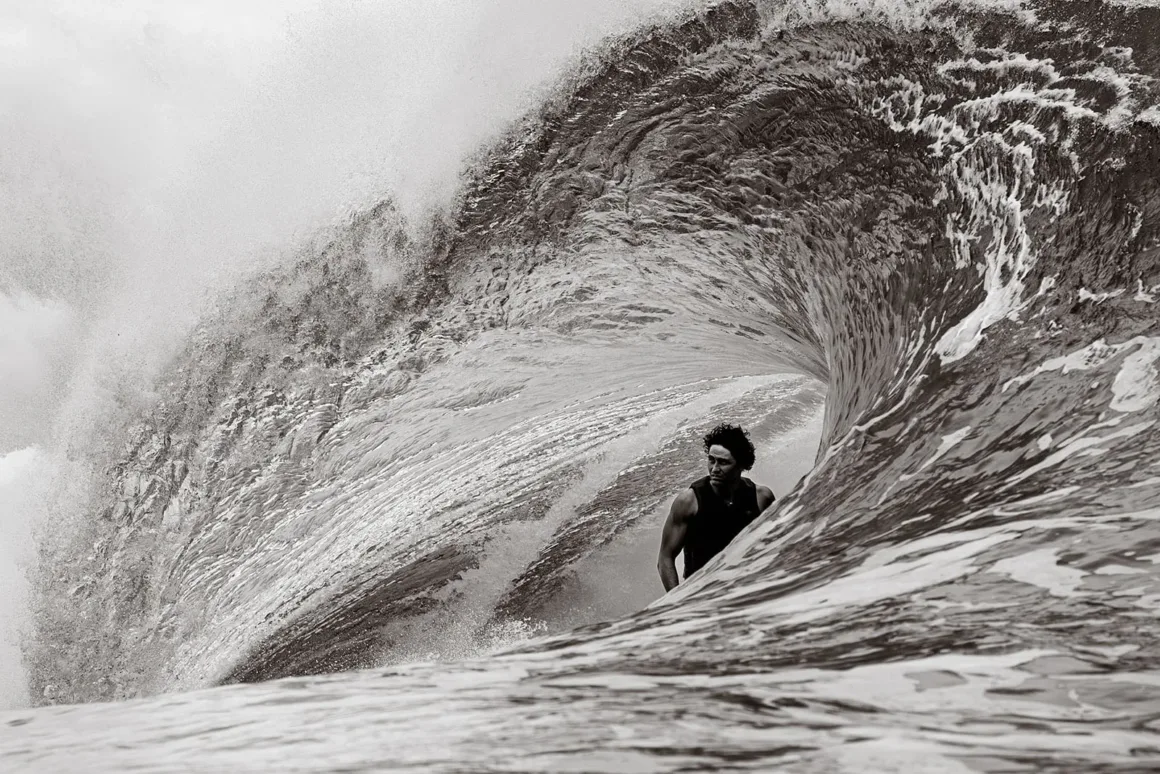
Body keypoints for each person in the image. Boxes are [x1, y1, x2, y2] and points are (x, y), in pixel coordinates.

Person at [657, 423, 775, 591]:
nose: (714, 469)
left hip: (746, 587)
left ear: (741, 465)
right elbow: (665, 557)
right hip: (702, 591)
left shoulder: (761, 497)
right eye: (711, 460)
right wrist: (676, 602)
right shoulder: (689, 501)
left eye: (723, 462)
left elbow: (773, 545)